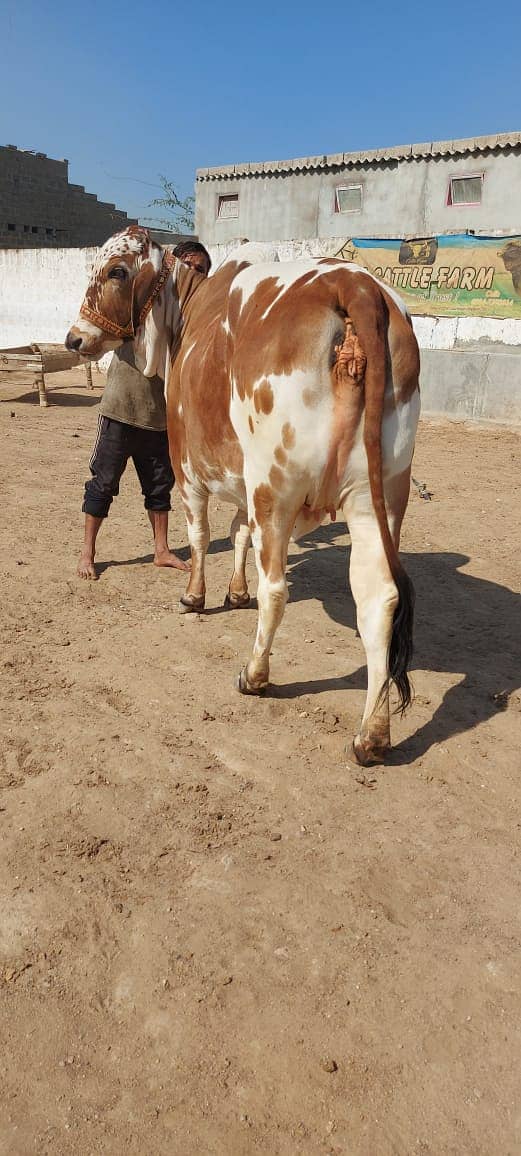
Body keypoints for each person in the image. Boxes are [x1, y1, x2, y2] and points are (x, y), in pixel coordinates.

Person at [77, 240, 211, 580]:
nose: (195, 274)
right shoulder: (143, 304)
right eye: (191, 266)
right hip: (120, 409)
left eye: (202, 271)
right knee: (103, 483)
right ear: (172, 266)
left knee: (159, 486)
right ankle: (87, 553)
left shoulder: (190, 319)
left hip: (158, 417)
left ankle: (161, 550)